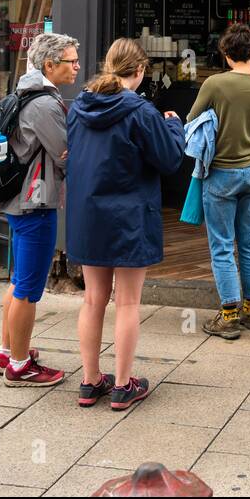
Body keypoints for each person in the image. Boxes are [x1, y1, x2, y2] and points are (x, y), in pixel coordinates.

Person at [67, 38, 185, 410]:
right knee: (128, 302)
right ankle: (122, 385)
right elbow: (169, 160)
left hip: (88, 213)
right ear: (139, 71)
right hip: (130, 215)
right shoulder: (141, 111)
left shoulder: (79, 106)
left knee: (93, 299)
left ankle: (89, 381)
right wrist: (175, 127)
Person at [187, 24, 250, 340]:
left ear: (226, 54)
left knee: (223, 245)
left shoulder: (215, 83)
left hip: (222, 173)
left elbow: (192, 119)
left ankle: (229, 316)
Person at [0, 33, 79, 387]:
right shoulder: (44, 105)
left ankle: (8, 350)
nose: (77, 66)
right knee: (29, 290)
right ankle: (18, 366)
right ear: (50, 65)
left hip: (19, 202)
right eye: (71, 61)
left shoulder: (27, 93)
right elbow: (66, 152)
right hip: (35, 204)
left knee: (17, 281)